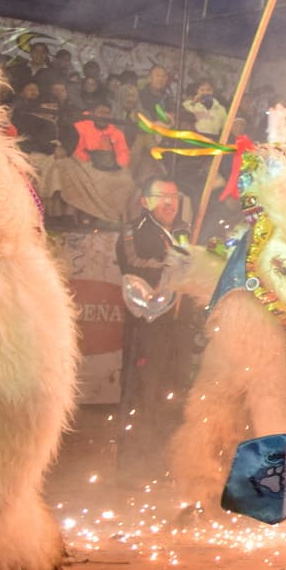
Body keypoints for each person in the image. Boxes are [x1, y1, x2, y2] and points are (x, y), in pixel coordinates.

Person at [117, 179, 192, 475]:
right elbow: (132, 263)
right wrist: (172, 263)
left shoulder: (184, 230)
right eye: (162, 197)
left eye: (174, 196)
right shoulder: (133, 232)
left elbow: (190, 264)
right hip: (147, 328)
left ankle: (167, 460)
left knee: (174, 390)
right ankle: (133, 464)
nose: (169, 203)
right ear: (145, 202)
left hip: (179, 327)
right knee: (143, 391)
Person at [71, 101, 131, 171]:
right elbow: (77, 151)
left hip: (111, 172)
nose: (104, 116)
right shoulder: (80, 129)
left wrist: (119, 167)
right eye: (100, 112)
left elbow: (123, 153)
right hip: (86, 168)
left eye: (107, 113)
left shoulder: (117, 134)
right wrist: (91, 163)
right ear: (93, 114)